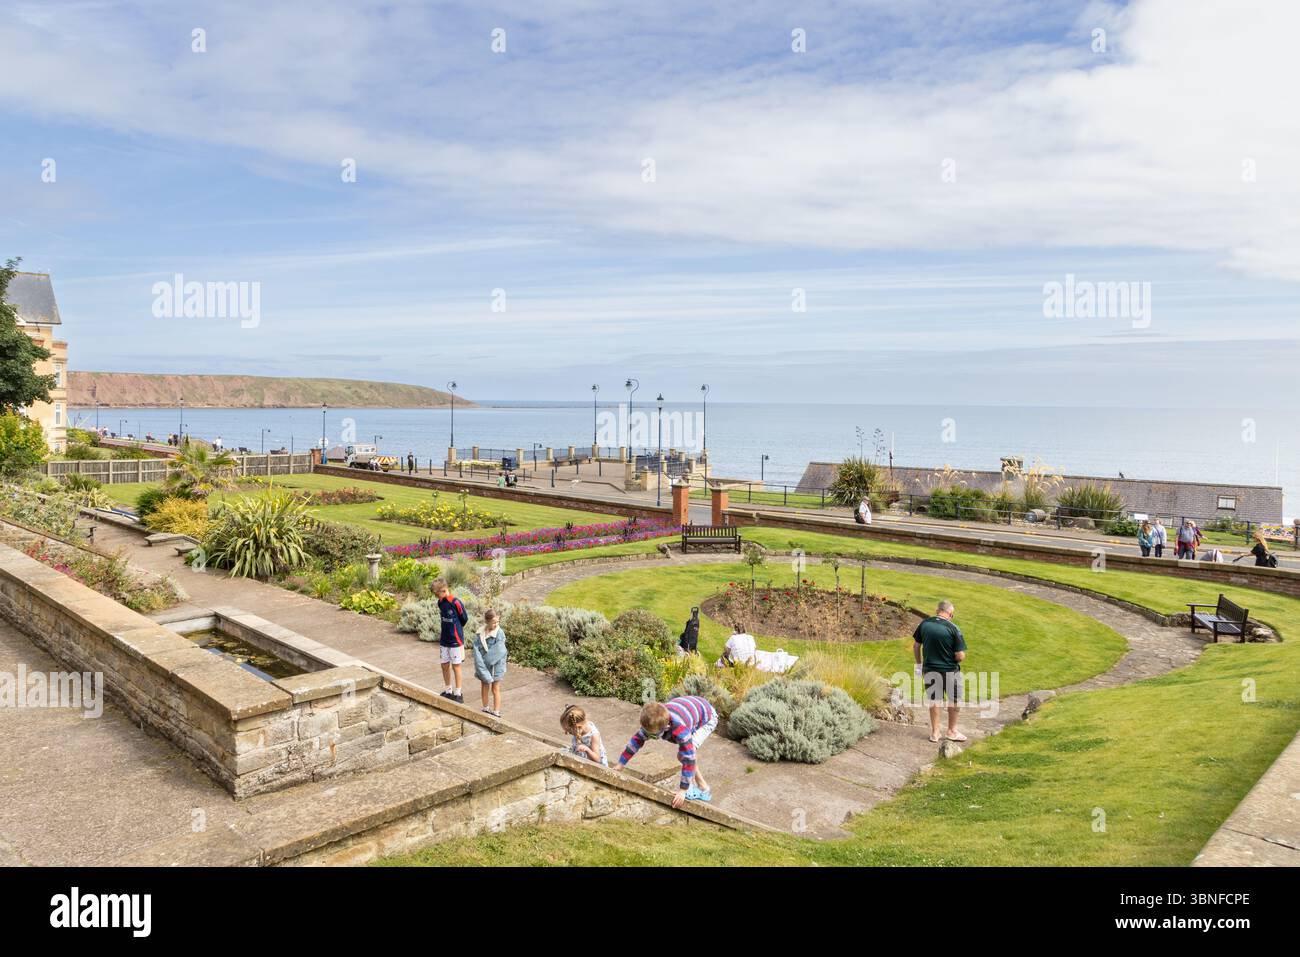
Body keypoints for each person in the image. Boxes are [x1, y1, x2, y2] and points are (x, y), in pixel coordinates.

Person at [617, 696, 717, 807]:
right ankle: (702, 786)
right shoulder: (653, 720)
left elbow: (689, 759)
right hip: (689, 708)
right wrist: (620, 764)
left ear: (666, 728)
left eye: (653, 735)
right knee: (683, 755)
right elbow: (636, 742)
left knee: (686, 754)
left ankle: (697, 788)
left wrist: (683, 790)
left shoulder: (680, 730)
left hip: (707, 716)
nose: (648, 736)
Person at [913, 599, 967, 744]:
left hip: (929, 669)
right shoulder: (953, 628)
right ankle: (951, 731)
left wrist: (919, 666)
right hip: (950, 671)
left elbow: (916, 646)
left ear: (937, 611)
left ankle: (935, 733)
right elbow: (960, 656)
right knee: (954, 700)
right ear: (951, 614)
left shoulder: (924, 624)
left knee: (935, 700)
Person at [433, 579, 468, 703]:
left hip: (455, 640)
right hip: (444, 639)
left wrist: (456, 629)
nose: (436, 597)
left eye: (437, 594)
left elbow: (464, 618)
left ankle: (458, 693)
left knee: (456, 666)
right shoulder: (440, 602)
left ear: (444, 590)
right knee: (444, 665)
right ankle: (448, 690)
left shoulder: (455, 602)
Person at [472, 609, 507, 717]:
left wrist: (484, 663)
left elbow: (500, 651)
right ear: (487, 621)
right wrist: (480, 664)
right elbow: (476, 648)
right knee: (484, 685)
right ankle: (485, 707)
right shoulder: (480, 632)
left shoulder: (499, 634)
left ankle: (496, 711)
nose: (496, 624)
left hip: (496, 666)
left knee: (495, 688)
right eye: (494, 622)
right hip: (483, 665)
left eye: (497, 622)